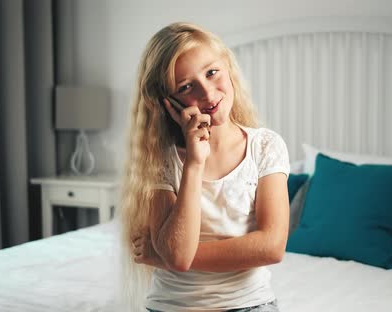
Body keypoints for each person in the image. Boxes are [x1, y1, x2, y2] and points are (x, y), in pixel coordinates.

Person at [120, 22, 290, 312]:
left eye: (212, 73)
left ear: (228, 68)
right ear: (168, 103)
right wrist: (195, 164)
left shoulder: (265, 147)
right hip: (172, 306)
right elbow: (177, 251)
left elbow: (271, 247)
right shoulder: (162, 158)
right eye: (186, 87)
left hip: (249, 304)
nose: (208, 93)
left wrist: (163, 257)